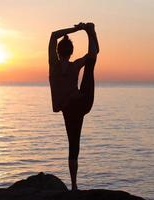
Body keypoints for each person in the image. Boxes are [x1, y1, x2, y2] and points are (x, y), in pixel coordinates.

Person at [48, 22, 99, 190]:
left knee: (73, 145)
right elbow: (94, 52)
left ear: (57, 52)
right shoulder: (75, 65)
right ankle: (92, 30)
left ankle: (74, 185)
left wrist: (75, 29)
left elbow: (54, 34)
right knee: (91, 63)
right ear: (70, 52)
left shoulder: (54, 66)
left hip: (70, 109)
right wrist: (88, 32)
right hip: (83, 102)